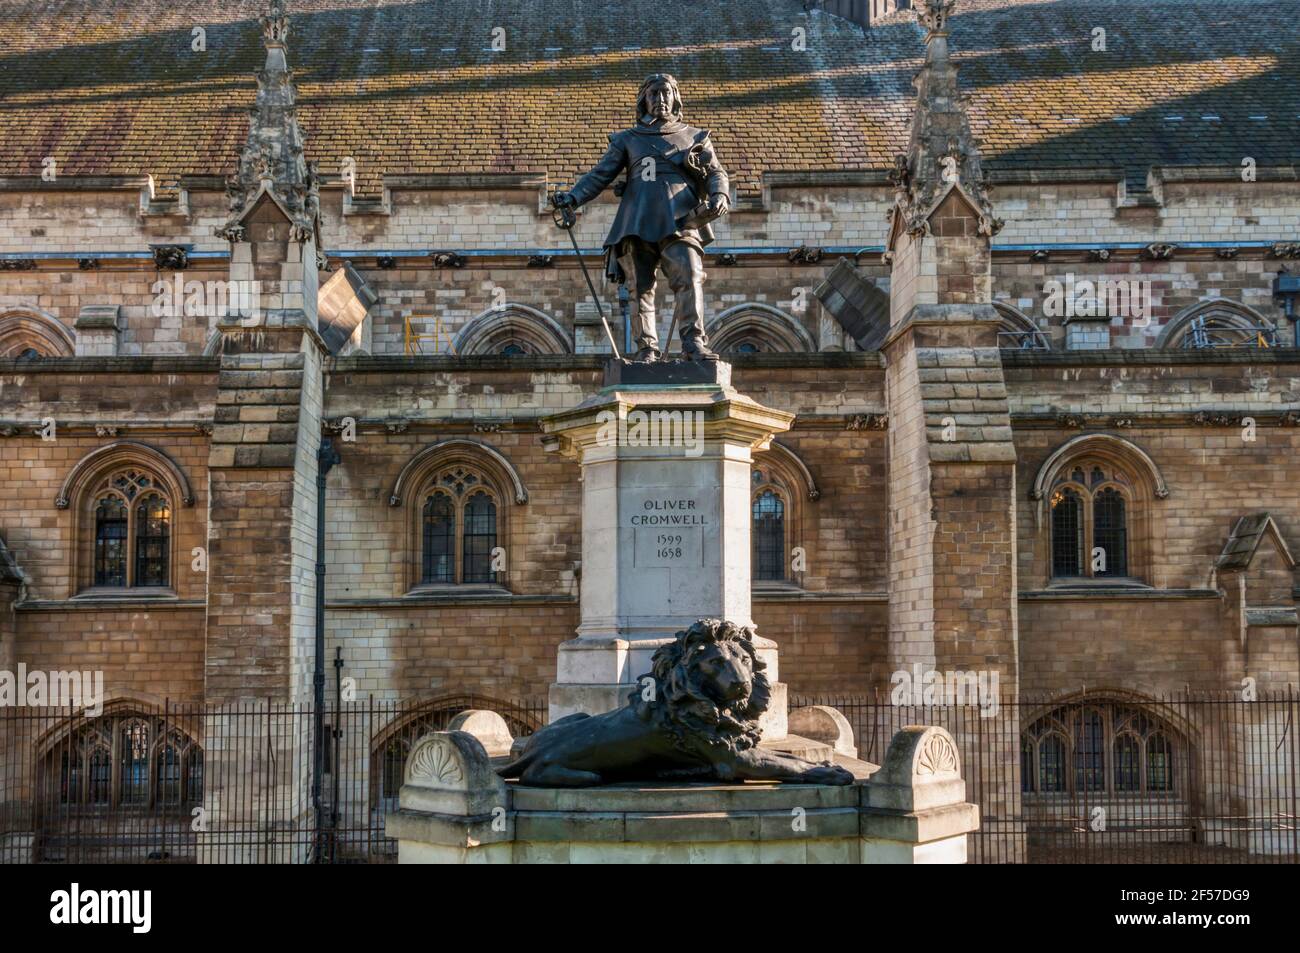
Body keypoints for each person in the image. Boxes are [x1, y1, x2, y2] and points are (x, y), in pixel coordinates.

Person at [552, 74, 730, 362]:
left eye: (665, 93)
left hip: (681, 217)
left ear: (675, 98)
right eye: (654, 94)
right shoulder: (627, 139)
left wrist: (720, 195)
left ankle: (694, 342)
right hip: (636, 220)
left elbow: (716, 172)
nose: (660, 99)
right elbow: (601, 175)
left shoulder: (695, 136)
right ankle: (646, 348)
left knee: (689, 275)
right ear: (644, 101)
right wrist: (572, 197)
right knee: (640, 287)